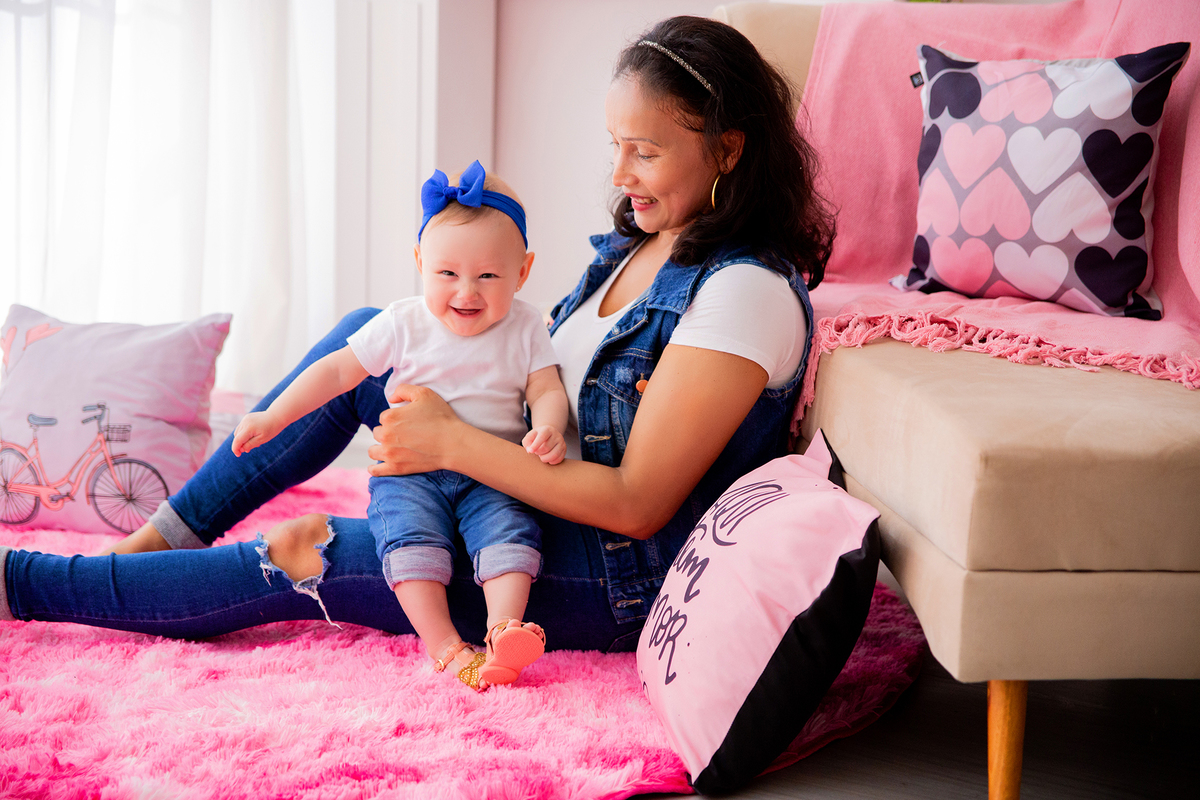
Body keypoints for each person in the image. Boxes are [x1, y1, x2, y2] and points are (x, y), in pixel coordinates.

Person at [0, 16, 835, 667]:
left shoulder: (744, 295)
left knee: (303, 555)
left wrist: (454, 443)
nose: (618, 174)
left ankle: (25, 584)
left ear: (728, 148)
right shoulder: (645, 244)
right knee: (373, 334)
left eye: (644, 152)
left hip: (606, 573)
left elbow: (637, 505)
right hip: (519, 486)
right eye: (614, 145)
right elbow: (528, 364)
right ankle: (157, 540)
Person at [229, 161, 567, 690]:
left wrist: (547, 425)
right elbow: (338, 370)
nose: (467, 292)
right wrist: (275, 414)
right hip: (411, 473)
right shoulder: (404, 321)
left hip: (492, 470)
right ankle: (447, 647)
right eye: (448, 274)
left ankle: (504, 629)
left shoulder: (526, 325)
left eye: (488, 276)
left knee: (511, 536)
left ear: (522, 272)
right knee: (410, 547)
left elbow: (546, 389)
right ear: (419, 262)